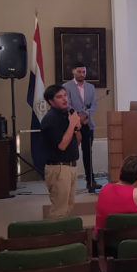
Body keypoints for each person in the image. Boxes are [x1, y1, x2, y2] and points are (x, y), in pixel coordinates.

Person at [40, 84, 81, 219]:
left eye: (65, 95)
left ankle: (64, 231)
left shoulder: (66, 116)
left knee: (69, 205)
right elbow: (62, 145)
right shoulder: (50, 119)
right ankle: (55, 232)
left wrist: (77, 128)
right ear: (51, 101)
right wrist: (72, 124)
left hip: (71, 166)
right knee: (59, 209)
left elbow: (76, 142)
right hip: (59, 168)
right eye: (59, 97)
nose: (64, 99)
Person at [63, 61, 100, 193]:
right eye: (79, 72)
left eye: (84, 72)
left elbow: (94, 105)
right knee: (71, 153)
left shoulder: (90, 87)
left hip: (87, 124)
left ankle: (90, 181)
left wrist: (85, 115)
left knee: (87, 153)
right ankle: (68, 181)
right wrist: (78, 117)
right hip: (72, 125)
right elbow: (67, 105)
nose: (82, 74)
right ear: (73, 71)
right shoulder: (66, 87)